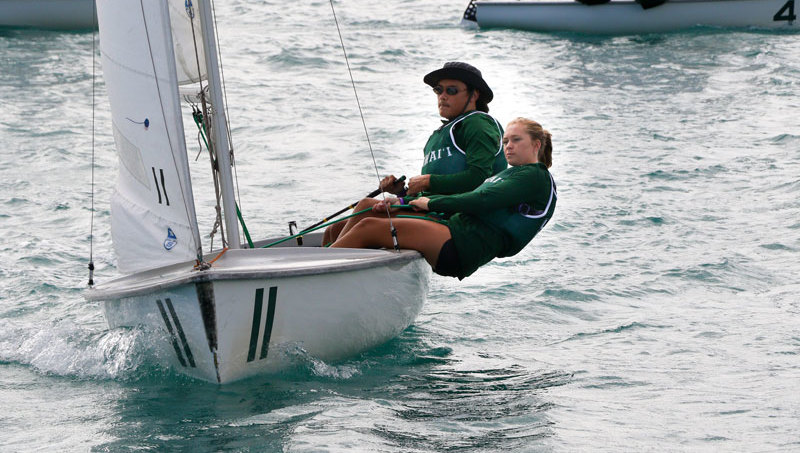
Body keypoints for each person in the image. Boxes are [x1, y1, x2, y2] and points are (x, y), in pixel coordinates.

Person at [331, 118, 557, 280]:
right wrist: (403, 200)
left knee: (368, 227)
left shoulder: (536, 176)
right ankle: (330, 268)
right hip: (452, 228)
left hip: (463, 245)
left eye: (516, 140)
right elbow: (465, 198)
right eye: (506, 141)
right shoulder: (509, 175)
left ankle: (320, 276)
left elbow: (481, 199)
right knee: (351, 220)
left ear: (536, 145)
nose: (508, 146)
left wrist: (430, 202)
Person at [323, 61, 507, 244]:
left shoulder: (478, 123)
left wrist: (428, 181)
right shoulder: (438, 136)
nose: (442, 96)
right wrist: (401, 193)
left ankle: (327, 266)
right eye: (438, 90)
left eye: (451, 91)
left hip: (455, 217)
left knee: (365, 206)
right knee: (334, 229)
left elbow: (479, 176)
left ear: (474, 95)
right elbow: (433, 190)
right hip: (429, 209)